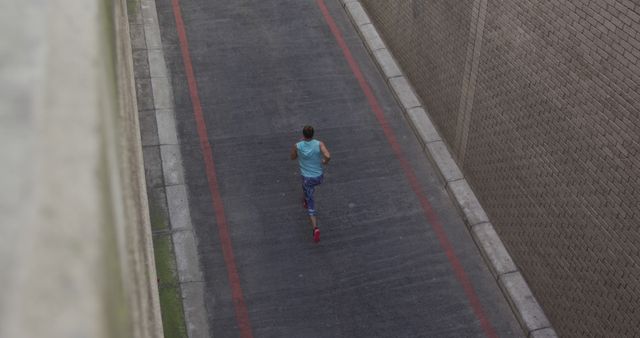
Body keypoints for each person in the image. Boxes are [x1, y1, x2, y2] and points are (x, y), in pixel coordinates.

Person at [290, 125, 331, 243]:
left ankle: (315, 228)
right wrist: (324, 161)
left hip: (307, 178)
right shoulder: (319, 144)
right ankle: (305, 199)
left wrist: (299, 151)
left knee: (311, 202)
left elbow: (292, 157)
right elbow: (328, 155)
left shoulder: (298, 146)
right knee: (306, 189)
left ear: (303, 135)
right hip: (318, 177)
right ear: (313, 134)